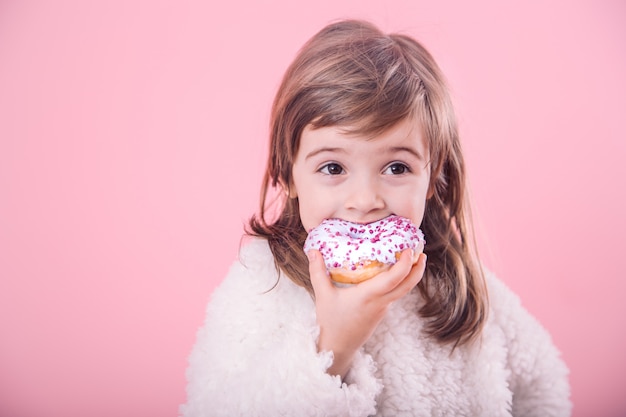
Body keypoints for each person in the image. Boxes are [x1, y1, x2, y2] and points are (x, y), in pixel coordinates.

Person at [180, 19, 571, 416]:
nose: (365, 200)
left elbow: (543, 391)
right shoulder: (261, 285)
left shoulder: (462, 287)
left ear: (433, 178)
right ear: (289, 174)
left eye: (397, 168)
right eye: (333, 168)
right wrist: (335, 346)